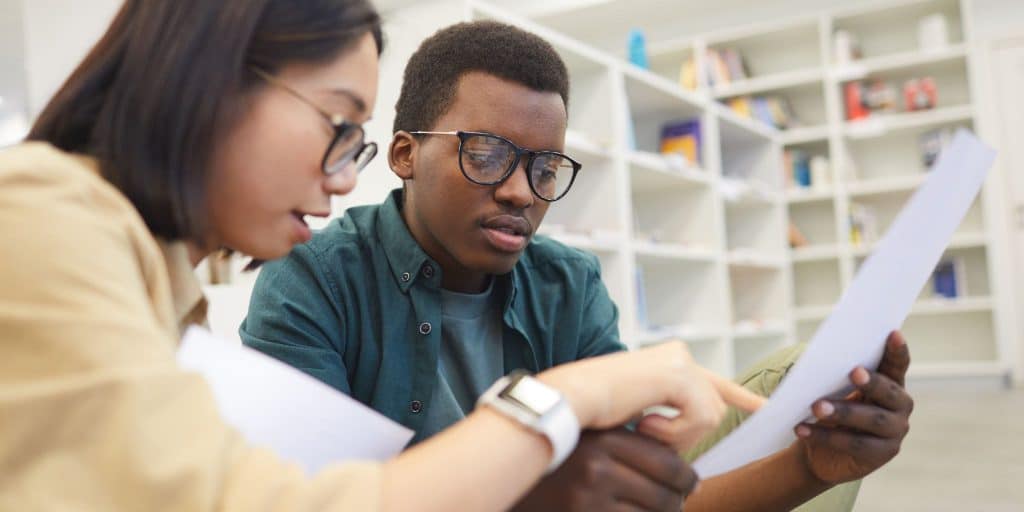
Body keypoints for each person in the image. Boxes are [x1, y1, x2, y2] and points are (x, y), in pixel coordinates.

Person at [0, 2, 761, 511]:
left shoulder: (162, 281)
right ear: (209, 82)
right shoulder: (43, 213)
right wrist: (567, 404)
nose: (341, 172)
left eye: (544, 169)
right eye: (338, 122)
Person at [241, 20, 915, 512]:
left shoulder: (569, 282)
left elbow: (637, 500)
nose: (520, 191)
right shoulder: (311, 278)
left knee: (817, 378)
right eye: (486, 153)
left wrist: (812, 469)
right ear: (405, 154)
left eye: (545, 167)